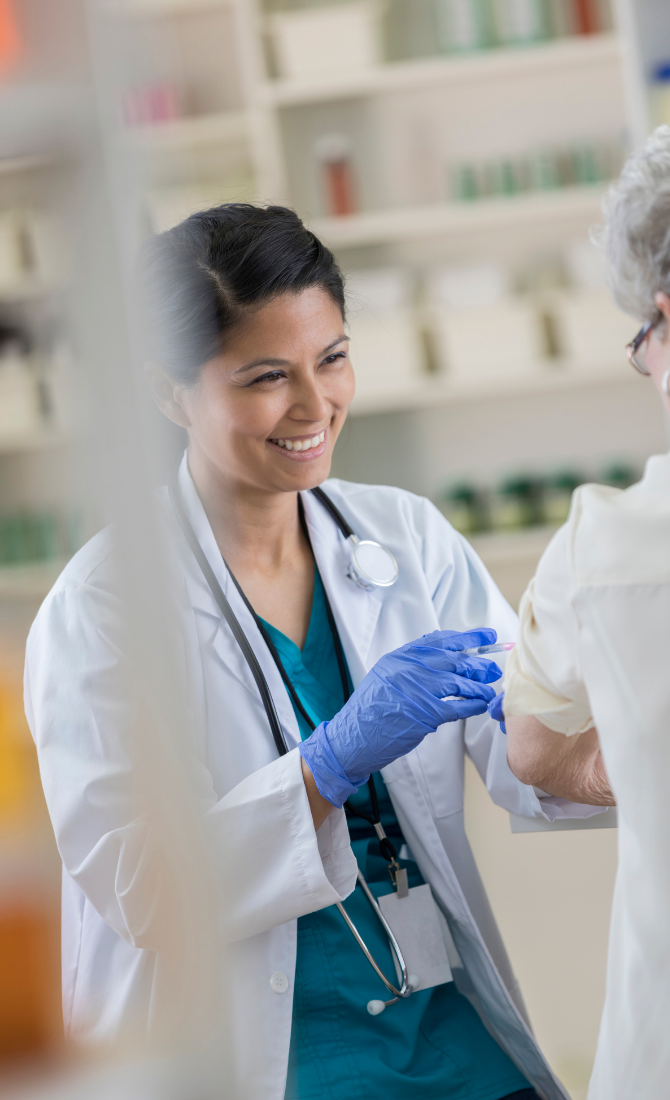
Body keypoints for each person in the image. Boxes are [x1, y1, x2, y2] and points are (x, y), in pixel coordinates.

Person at [25, 204, 605, 1100]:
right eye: (265, 376)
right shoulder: (103, 611)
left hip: (450, 1044)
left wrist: (627, 740)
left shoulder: (404, 538)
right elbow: (144, 889)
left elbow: (526, 756)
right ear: (170, 392)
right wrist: (331, 761)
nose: (313, 405)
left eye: (332, 358)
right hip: (268, 1062)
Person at [495, 126, 670, 1100]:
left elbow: (530, 746)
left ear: (664, 317)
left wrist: (625, 762)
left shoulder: (601, 546)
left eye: (639, 344)